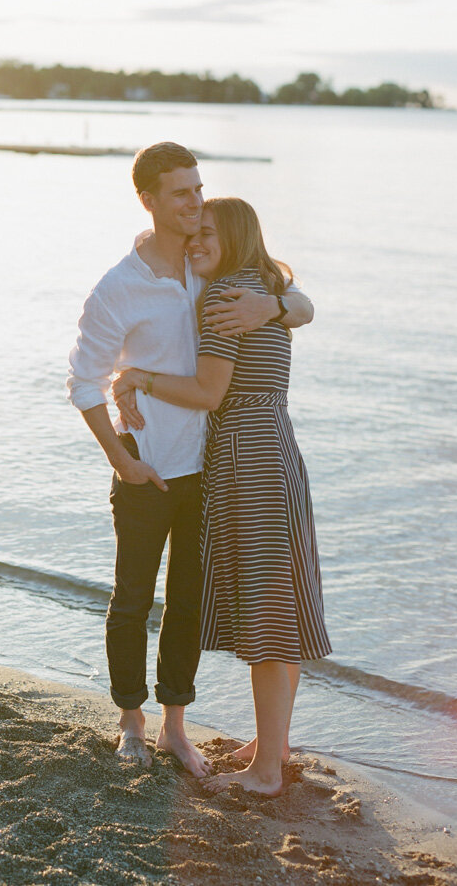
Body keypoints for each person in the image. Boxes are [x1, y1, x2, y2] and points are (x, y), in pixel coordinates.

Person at [66, 145, 313, 777]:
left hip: (210, 471)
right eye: (180, 193)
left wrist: (276, 307)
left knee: (187, 604)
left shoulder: (212, 267)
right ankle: (130, 723)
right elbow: (84, 382)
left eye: (198, 189)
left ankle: (177, 725)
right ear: (147, 198)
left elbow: (300, 303)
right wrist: (121, 459)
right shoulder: (118, 288)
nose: (194, 202)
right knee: (131, 602)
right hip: (148, 468)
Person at [112, 196, 331, 796]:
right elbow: (302, 307)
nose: (195, 240)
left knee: (264, 609)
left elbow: (210, 392)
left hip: (245, 458)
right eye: (192, 232)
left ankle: (264, 773)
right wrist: (285, 302)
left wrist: (140, 377)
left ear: (233, 236)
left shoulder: (226, 297)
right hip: (277, 448)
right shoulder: (263, 290)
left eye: (207, 232)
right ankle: (274, 744)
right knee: (283, 599)